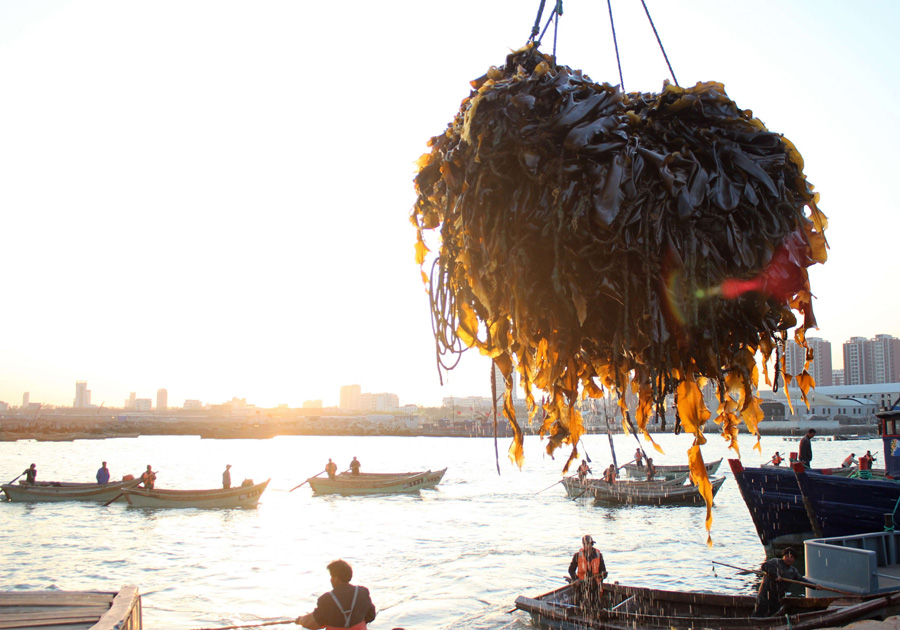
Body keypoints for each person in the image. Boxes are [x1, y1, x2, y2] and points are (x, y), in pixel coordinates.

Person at [295, 559, 377, 629]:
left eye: (332, 576)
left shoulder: (326, 600)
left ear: (337, 578)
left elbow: (314, 623)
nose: (331, 580)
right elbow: (371, 616)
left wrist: (300, 620)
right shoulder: (362, 593)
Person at [752, 547, 817, 617]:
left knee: (773, 614)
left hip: (777, 598)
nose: (789, 559)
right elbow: (765, 566)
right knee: (759, 613)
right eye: (787, 556)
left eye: (792, 557)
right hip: (765, 594)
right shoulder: (775, 562)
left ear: (794, 560)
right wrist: (776, 575)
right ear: (783, 557)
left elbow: (802, 580)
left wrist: (815, 586)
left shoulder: (793, 571)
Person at [567, 535, 607, 611]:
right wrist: (576, 579)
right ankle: (581, 610)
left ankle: (596, 612)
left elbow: (603, 571)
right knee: (581, 603)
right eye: (586, 544)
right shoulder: (577, 556)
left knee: (596, 604)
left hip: (595, 586)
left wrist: (602, 575)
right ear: (583, 545)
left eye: (590, 544)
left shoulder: (599, 555)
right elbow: (571, 570)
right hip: (582, 585)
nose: (589, 546)